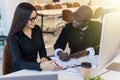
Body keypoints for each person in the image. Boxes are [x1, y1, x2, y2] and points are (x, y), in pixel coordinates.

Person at [7, 2, 62, 72]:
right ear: (22, 19)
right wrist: (40, 66)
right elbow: (18, 62)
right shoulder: (13, 37)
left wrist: (43, 57)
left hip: (34, 68)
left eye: (35, 18)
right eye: (32, 19)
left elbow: (42, 47)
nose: (35, 21)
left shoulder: (36, 29)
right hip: (20, 71)